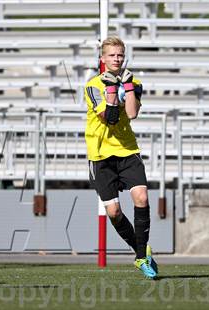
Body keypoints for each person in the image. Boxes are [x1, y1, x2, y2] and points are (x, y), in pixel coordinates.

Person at [84, 36, 158, 279]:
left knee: (141, 196)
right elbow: (110, 117)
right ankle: (140, 247)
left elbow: (132, 113)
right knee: (114, 212)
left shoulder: (133, 82)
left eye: (120, 55)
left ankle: (140, 257)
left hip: (127, 150)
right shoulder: (93, 86)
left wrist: (127, 87)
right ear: (102, 59)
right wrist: (112, 90)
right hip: (100, 154)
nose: (117, 59)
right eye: (112, 55)